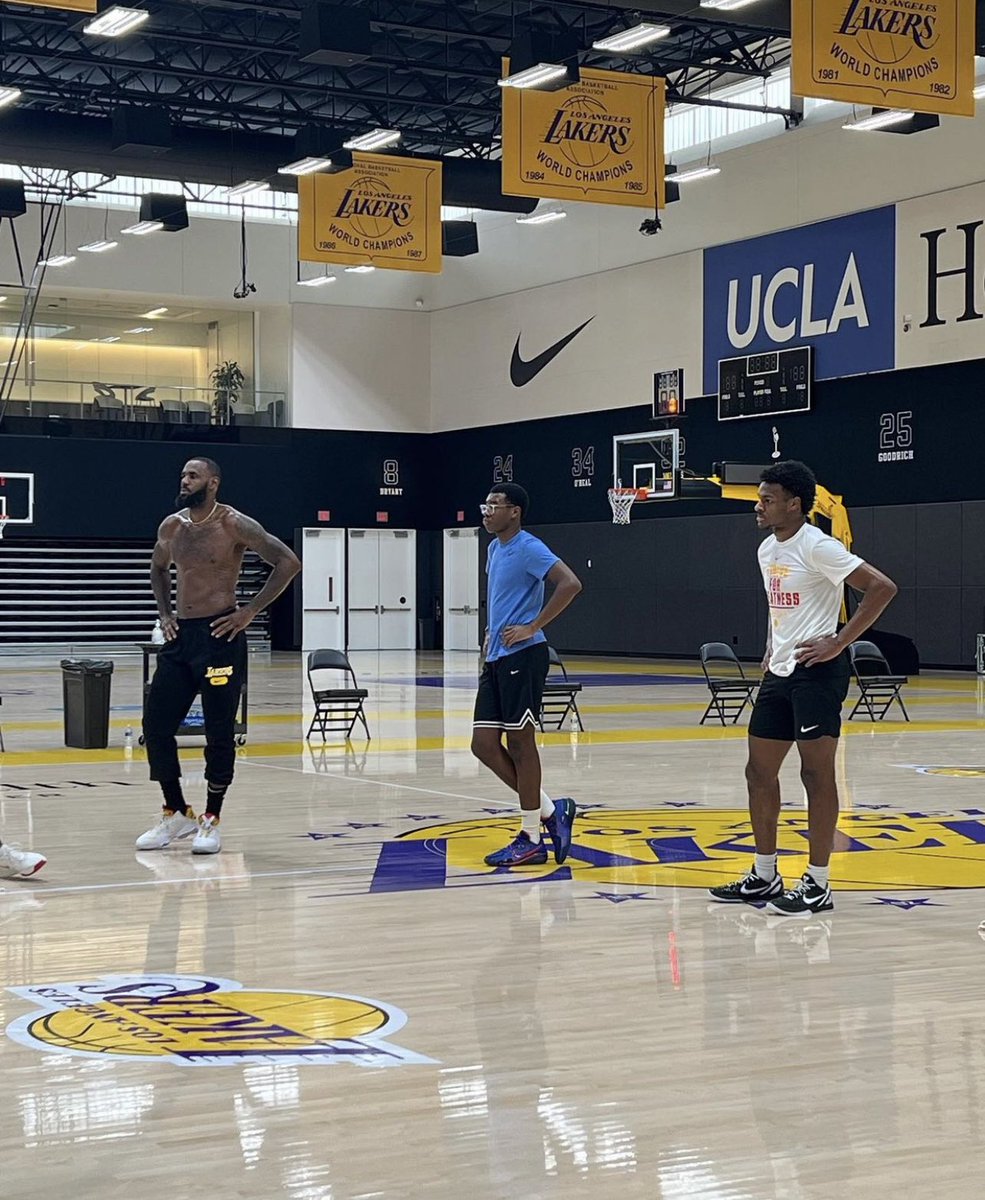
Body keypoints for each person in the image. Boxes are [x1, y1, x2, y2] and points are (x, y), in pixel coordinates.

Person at [709, 461, 897, 917]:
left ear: (794, 504)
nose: (758, 505)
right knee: (758, 772)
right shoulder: (765, 549)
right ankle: (765, 873)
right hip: (781, 671)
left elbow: (881, 587)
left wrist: (839, 641)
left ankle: (818, 882)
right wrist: (774, 646)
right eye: (760, 497)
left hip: (818, 672)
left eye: (767, 499)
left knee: (815, 775)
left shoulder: (819, 546)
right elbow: (782, 608)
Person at [136, 458, 300, 855]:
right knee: (155, 726)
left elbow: (288, 563)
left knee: (219, 730)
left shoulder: (234, 524)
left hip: (220, 635)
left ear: (213, 483)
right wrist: (164, 613)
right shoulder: (171, 526)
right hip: (181, 639)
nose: (184, 480)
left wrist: (249, 612)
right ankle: (175, 810)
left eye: (192, 476)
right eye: (182, 475)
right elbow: (157, 568)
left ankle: (211, 817)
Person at [471, 483, 583, 867]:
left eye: (494, 505)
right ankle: (552, 810)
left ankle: (531, 836)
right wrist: (491, 630)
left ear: (514, 511)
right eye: (485, 505)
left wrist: (533, 625)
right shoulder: (493, 549)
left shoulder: (530, 547)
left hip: (524, 655)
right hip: (497, 655)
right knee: (483, 744)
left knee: (521, 744)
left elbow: (570, 583)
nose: (486, 511)